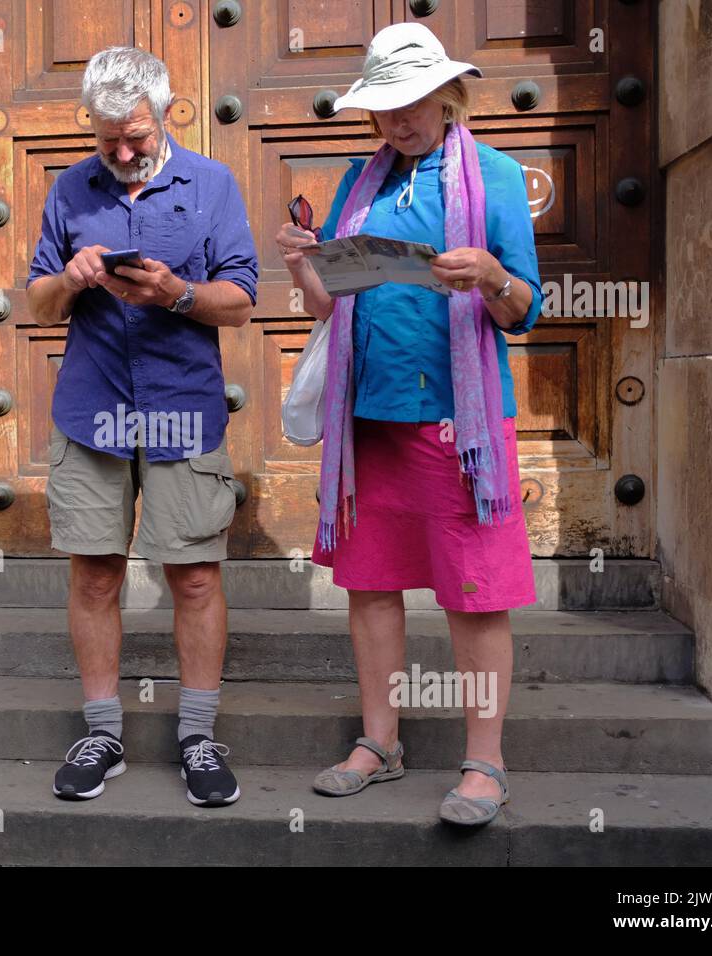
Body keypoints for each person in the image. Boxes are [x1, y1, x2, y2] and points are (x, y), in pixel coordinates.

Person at [276, 23, 543, 826]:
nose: (399, 120)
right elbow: (331, 307)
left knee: (475, 594)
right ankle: (381, 743)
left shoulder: (493, 177)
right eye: (384, 108)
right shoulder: (363, 180)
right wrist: (303, 264)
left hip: (457, 424)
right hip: (370, 422)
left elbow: (525, 308)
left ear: (447, 95)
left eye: (412, 103)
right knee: (371, 588)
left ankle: (485, 762)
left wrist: (493, 275)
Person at [27, 46, 259, 807]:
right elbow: (36, 303)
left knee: (193, 576)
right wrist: (70, 277)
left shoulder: (214, 185)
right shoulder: (69, 189)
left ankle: (197, 737)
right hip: (91, 410)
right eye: (107, 140)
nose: (122, 153)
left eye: (136, 136)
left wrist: (178, 294)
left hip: (182, 409)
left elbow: (242, 298)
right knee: (95, 574)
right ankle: (102, 734)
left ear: (166, 114)